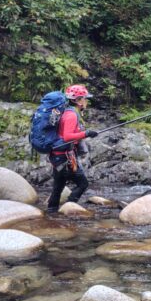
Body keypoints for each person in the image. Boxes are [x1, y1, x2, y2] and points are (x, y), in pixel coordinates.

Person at [46, 84, 99, 214]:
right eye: (84, 98)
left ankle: (52, 213)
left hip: (58, 155)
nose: (86, 101)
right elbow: (67, 136)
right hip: (63, 157)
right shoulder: (71, 115)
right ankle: (70, 208)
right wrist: (86, 133)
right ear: (77, 100)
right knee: (83, 184)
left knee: (58, 188)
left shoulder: (69, 112)